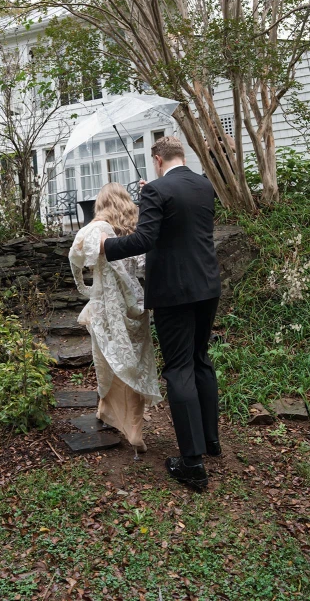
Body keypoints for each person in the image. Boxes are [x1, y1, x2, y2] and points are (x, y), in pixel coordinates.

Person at [100, 136, 221, 491]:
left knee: (179, 369)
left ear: (156, 159)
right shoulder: (203, 185)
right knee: (200, 361)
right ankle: (211, 443)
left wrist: (105, 246)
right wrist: (151, 194)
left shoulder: (156, 191)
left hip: (174, 292)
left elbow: (143, 241)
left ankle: (192, 464)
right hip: (207, 286)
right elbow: (181, 223)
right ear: (181, 156)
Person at [68, 183, 161, 453]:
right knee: (134, 363)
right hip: (133, 306)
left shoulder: (92, 230)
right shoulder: (136, 233)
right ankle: (133, 427)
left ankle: (106, 409)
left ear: (101, 205)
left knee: (107, 360)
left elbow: (76, 257)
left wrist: (85, 288)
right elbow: (145, 267)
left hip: (105, 308)